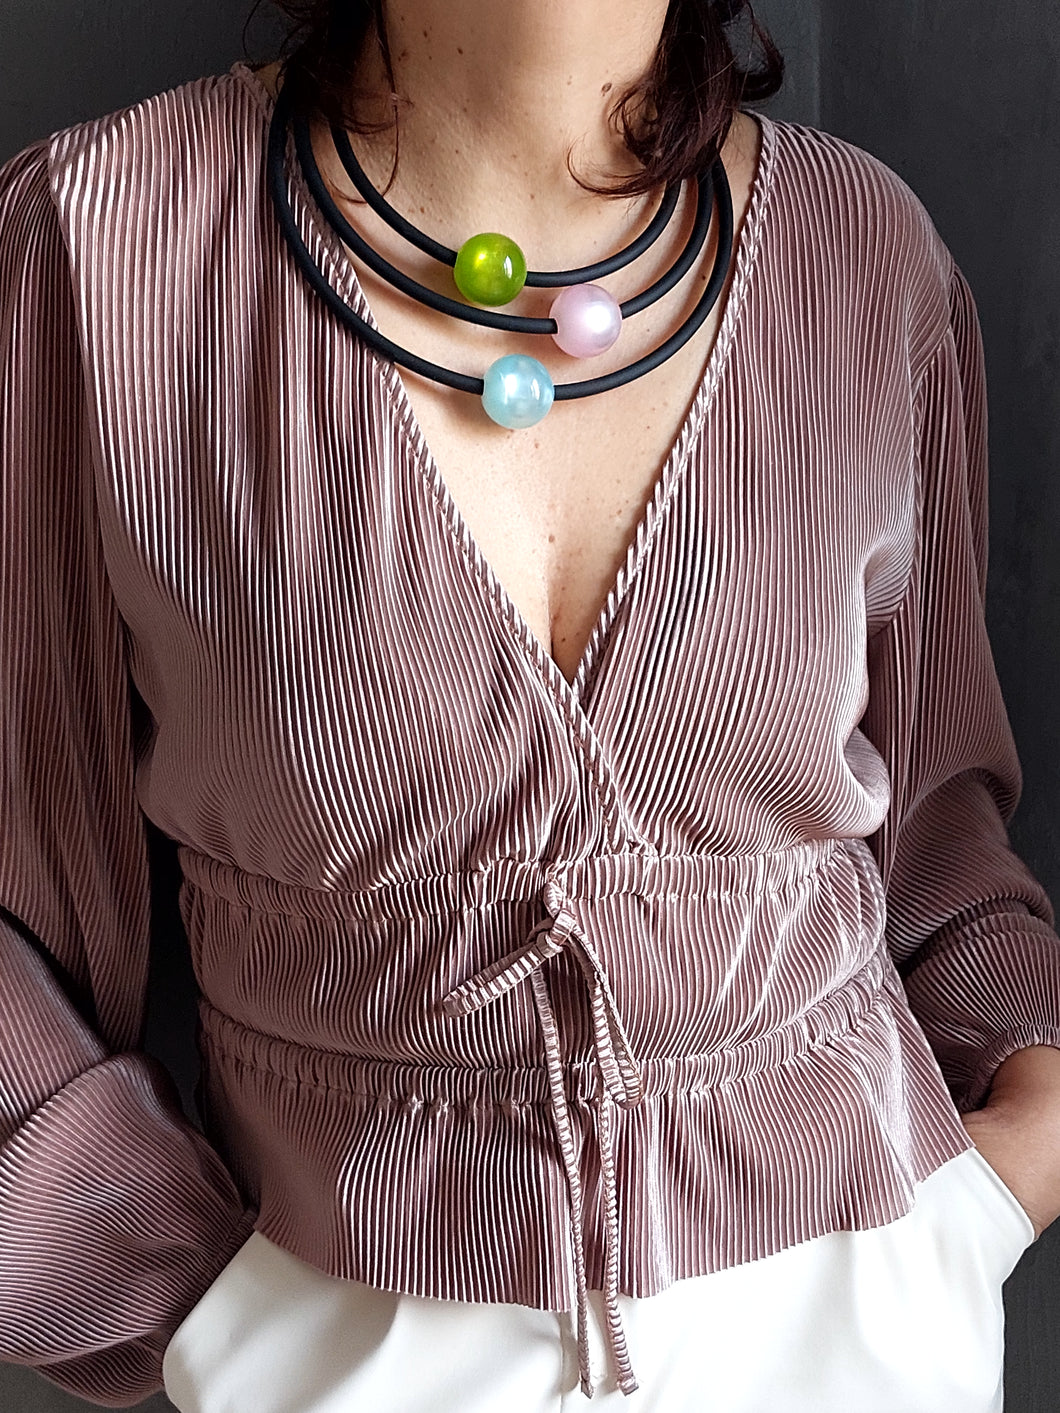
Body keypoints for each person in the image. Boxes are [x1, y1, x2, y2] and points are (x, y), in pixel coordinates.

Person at [2, 1, 1060, 1410]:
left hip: (869, 1306)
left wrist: (1014, 1151)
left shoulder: (864, 254)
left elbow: (937, 821)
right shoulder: (100, 248)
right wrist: (197, 1303)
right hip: (344, 1339)